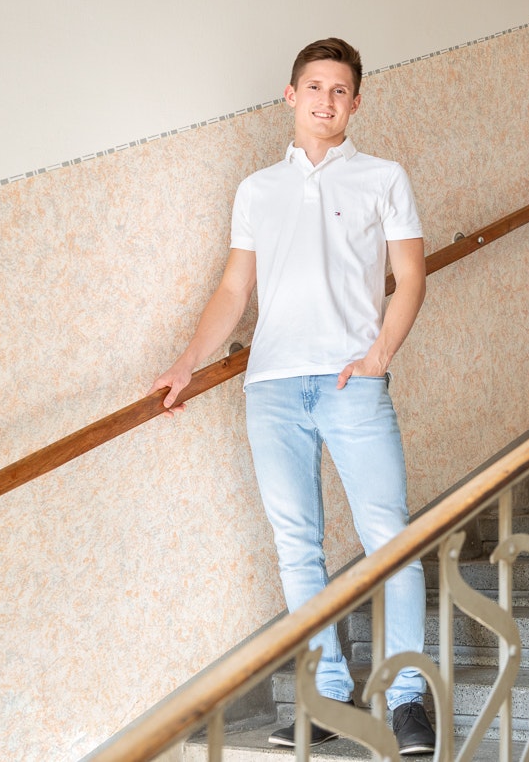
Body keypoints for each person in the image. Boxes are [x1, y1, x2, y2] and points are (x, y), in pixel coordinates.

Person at [152, 37, 435, 754]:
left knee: (390, 540)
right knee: (296, 548)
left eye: (339, 90)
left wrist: (379, 356)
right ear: (291, 94)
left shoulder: (383, 177)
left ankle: (406, 699)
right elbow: (233, 289)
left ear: (356, 103)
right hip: (273, 386)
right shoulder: (257, 190)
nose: (324, 100)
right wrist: (188, 361)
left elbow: (412, 275)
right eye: (313, 86)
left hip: (352, 384)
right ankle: (327, 694)